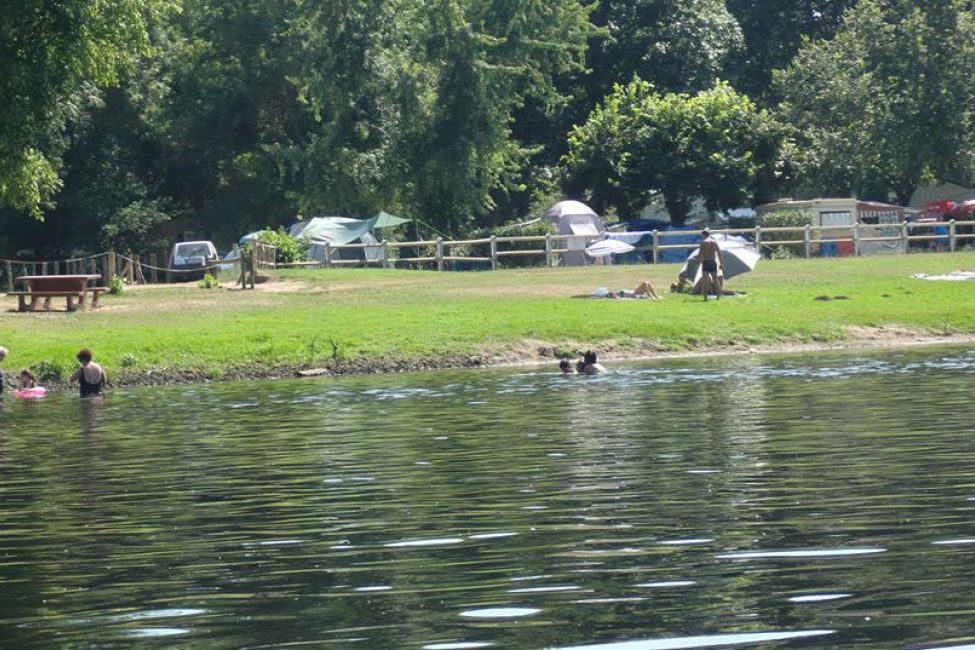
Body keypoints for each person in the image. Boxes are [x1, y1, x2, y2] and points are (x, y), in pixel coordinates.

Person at [696, 230, 724, 299]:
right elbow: (719, 253)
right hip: (713, 262)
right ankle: (718, 295)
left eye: (701, 235)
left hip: (706, 262)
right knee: (715, 279)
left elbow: (700, 254)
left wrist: (698, 264)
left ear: (703, 235)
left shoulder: (703, 243)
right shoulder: (715, 242)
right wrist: (721, 263)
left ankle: (705, 296)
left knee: (705, 279)